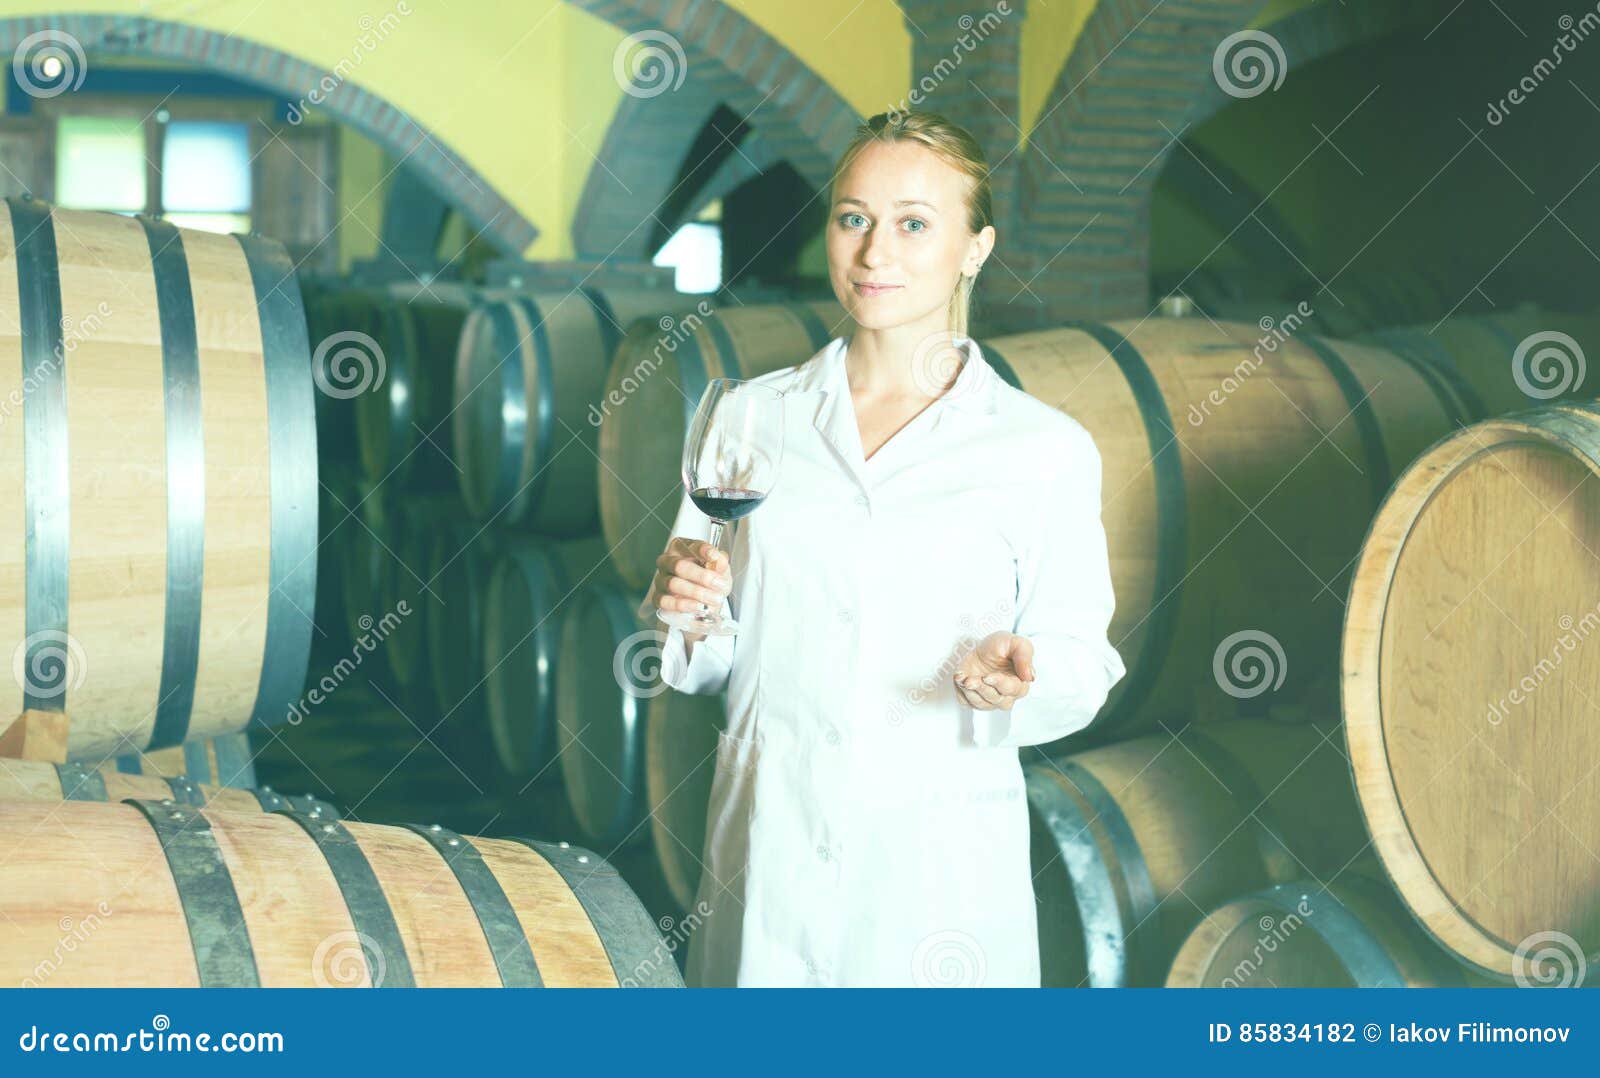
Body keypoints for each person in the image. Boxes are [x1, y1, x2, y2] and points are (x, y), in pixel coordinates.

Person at [636, 110, 1125, 987]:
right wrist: (689, 610)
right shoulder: (753, 418)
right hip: (769, 853)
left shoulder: (1040, 448)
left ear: (975, 248)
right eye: (853, 218)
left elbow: (1082, 663)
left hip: (939, 874)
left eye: (913, 223)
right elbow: (702, 663)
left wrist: (1023, 674)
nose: (873, 254)